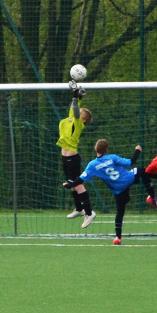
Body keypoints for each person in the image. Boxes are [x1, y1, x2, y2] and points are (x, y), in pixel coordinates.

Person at [64, 139, 157, 245]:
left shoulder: (92, 165)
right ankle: (154, 194)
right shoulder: (112, 157)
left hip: (118, 189)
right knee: (142, 171)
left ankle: (118, 237)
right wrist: (138, 150)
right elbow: (131, 162)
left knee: (120, 212)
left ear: (96, 149)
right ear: (107, 149)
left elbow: (80, 180)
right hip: (128, 178)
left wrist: (69, 185)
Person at [58, 82, 95, 228]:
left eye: (81, 112)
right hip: (65, 157)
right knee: (72, 185)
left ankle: (89, 212)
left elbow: (75, 109)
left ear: (83, 119)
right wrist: (78, 96)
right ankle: (79, 209)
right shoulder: (70, 119)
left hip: (72, 158)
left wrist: (74, 96)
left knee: (77, 185)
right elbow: (73, 108)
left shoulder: (78, 122)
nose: (77, 111)